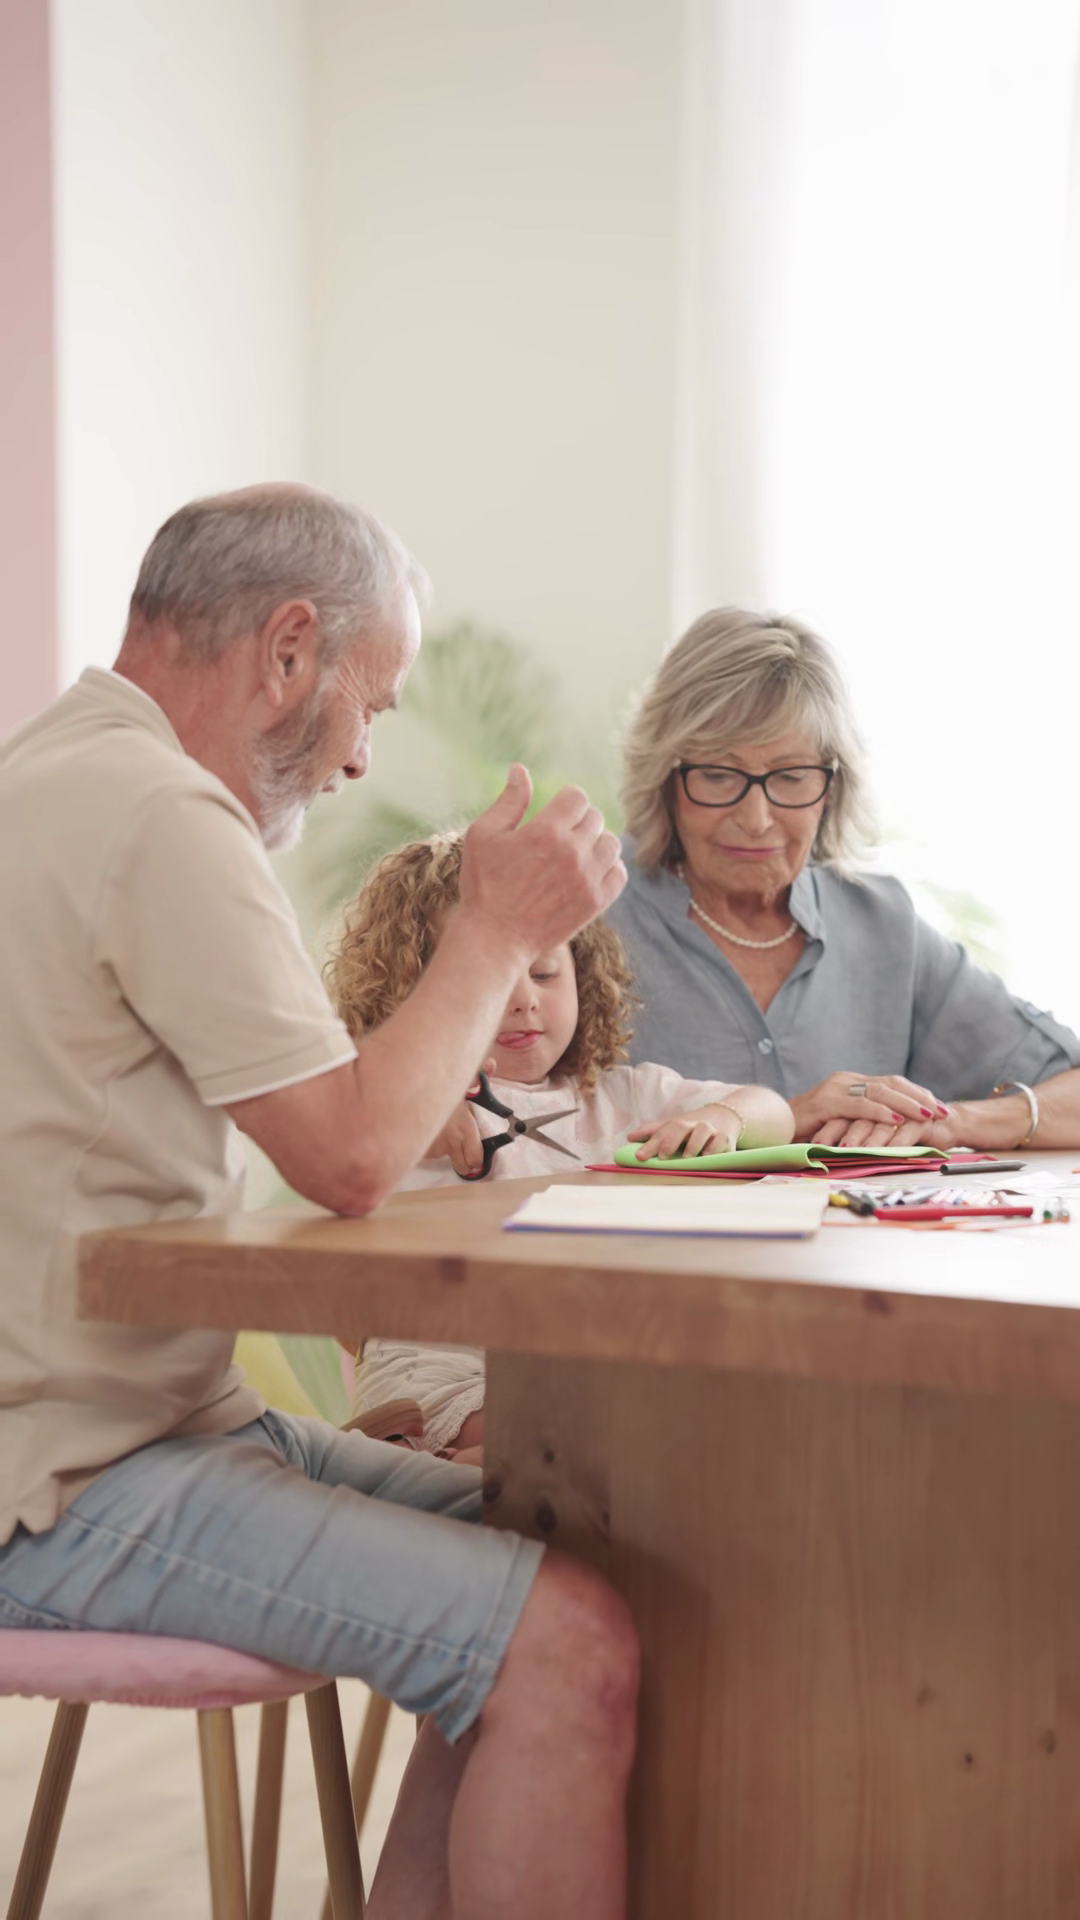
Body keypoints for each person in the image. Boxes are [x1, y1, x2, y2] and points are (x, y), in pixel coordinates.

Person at [0, 484, 639, 1920]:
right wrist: (496, 929)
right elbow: (352, 1158)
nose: (361, 756)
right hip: (61, 1483)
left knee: (571, 1545)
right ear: (289, 647)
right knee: (568, 1639)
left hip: (149, 1428)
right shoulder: (161, 813)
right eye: (371, 703)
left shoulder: (54, 768)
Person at [326, 831, 795, 1454]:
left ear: (583, 975)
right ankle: (442, 1463)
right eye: (492, 977)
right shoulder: (406, 1098)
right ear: (413, 993)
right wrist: (407, 1110)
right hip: (447, 1366)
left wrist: (726, 1118)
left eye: (545, 972)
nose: (524, 1001)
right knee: (575, 1447)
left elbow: (775, 1114)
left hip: (588, 1361)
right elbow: (339, 1164)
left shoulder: (625, 1095)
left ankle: (460, 1474)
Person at [607, 607, 1080, 1153]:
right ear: (665, 778)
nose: (756, 819)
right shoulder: (591, 913)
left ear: (833, 787)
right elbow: (533, 1132)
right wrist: (785, 1119)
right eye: (717, 775)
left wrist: (950, 1122)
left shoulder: (882, 924)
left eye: (791, 776)